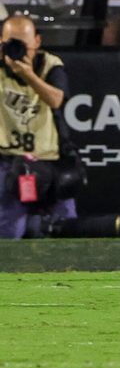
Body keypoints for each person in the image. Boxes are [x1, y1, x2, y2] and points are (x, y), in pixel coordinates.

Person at [0, 16, 85, 239]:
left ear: (37, 41)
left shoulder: (50, 65)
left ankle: (67, 272)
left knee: (65, 226)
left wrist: (27, 74)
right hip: (7, 161)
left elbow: (57, 100)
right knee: (9, 229)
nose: (18, 52)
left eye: (24, 46)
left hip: (50, 160)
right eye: (11, 45)